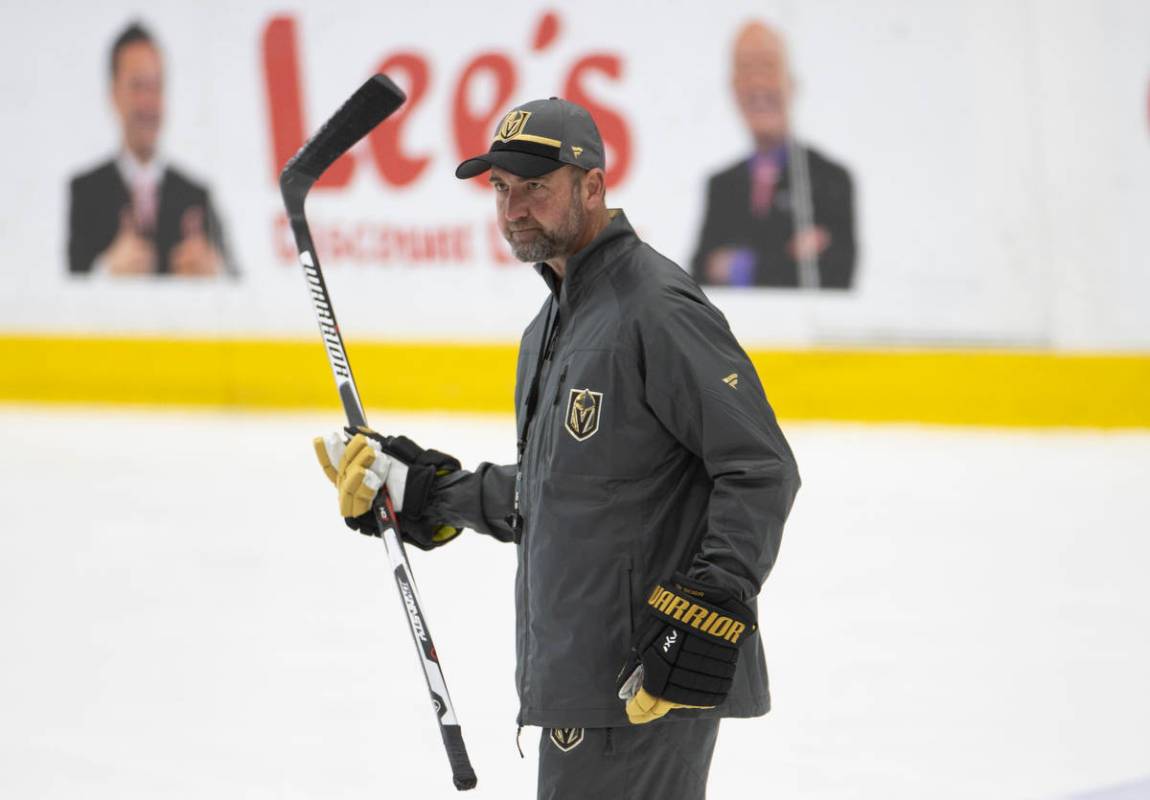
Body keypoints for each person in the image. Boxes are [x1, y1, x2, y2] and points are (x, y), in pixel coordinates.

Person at [314, 98, 800, 799]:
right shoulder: (552, 325)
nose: (514, 208)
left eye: (535, 187)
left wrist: (706, 613)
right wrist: (421, 491)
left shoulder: (654, 307)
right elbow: (566, 491)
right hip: (582, 683)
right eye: (501, 190)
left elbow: (759, 467)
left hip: (643, 682)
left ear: (593, 186)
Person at [691, 21, 857, 289]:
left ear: (791, 83)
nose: (757, 84)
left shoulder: (829, 179)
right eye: (746, 70)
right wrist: (789, 256)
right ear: (733, 87)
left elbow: (835, 273)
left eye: (768, 67)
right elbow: (700, 274)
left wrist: (737, 266)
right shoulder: (722, 185)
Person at [67, 22, 233, 277]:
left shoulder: (196, 195)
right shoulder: (86, 191)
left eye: (156, 87)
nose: (148, 102)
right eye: (137, 86)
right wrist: (106, 273)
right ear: (114, 93)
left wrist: (213, 274)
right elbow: (66, 291)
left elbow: (236, 280)